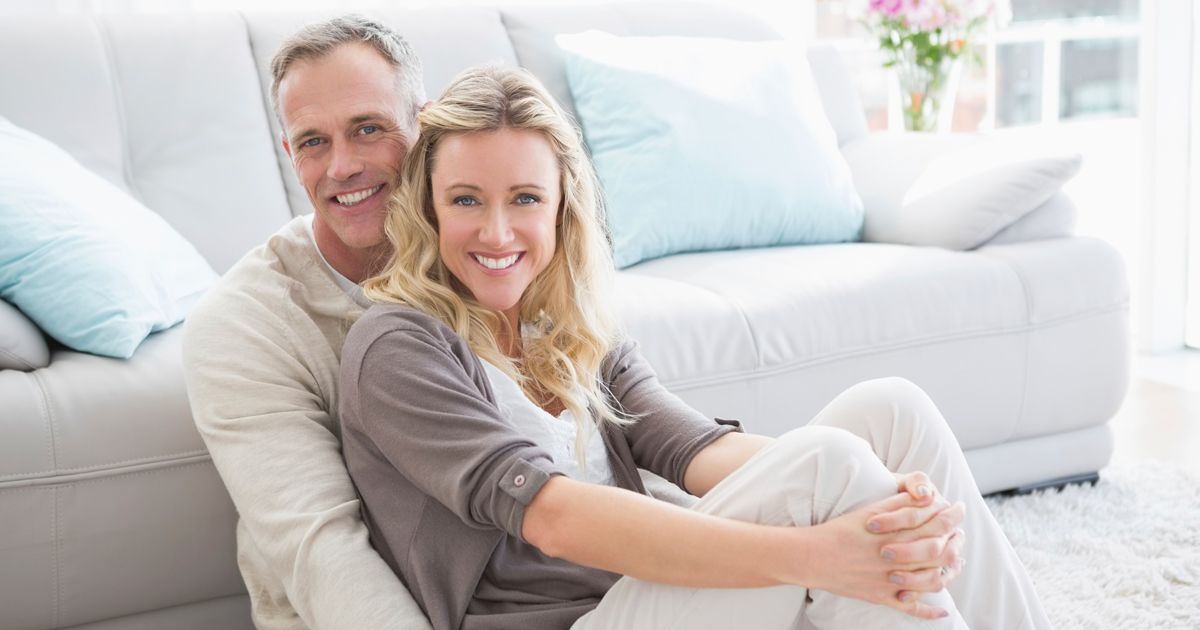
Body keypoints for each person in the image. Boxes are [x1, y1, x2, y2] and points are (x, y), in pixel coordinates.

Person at [338, 65, 1052, 630]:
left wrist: (899, 506)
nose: (496, 232)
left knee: (891, 414)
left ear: (560, 209)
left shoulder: (570, 328)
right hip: (576, 622)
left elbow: (696, 450)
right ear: (429, 208)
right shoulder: (398, 346)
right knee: (829, 469)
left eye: (525, 198)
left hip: (656, 598)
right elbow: (554, 518)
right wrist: (819, 554)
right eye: (466, 200)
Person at [181, 16, 434, 630]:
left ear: (423, 127)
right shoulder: (240, 325)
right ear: (290, 155)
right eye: (314, 142)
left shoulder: (485, 253)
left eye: (368, 129)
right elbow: (325, 554)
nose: (341, 166)